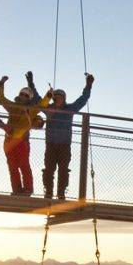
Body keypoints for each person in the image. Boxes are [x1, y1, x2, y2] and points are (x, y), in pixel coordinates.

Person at [40, 73, 95, 201]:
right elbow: (37, 101)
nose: (58, 99)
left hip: (64, 145)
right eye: (56, 97)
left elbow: (83, 99)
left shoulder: (69, 109)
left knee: (63, 170)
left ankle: (60, 193)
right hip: (51, 144)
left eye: (60, 97)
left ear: (64, 98)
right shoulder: (48, 109)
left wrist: (88, 86)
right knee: (49, 169)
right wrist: (31, 84)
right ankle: (48, 192)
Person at [2, 72, 46, 197]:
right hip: (9, 140)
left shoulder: (31, 110)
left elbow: (41, 105)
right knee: (12, 167)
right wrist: (1, 85)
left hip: (22, 141)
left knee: (24, 166)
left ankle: (27, 189)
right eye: (22, 94)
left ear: (29, 98)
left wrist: (48, 95)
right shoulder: (12, 106)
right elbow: (1, 98)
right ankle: (17, 189)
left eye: (26, 95)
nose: (23, 96)